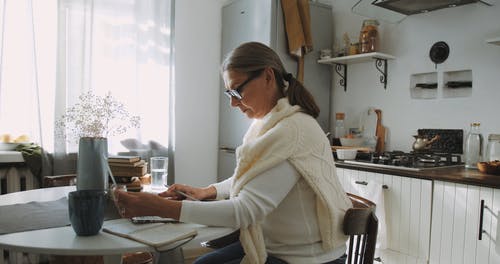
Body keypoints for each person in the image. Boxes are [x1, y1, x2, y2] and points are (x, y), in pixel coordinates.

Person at [114, 41, 352, 264]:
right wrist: (209, 191)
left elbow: (245, 210)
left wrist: (159, 208)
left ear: (268, 77)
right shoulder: (270, 124)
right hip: (278, 247)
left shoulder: (292, 129)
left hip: (307, 258)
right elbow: (253, 180)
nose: (233, 103)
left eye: (237, 91)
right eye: (230, 94)